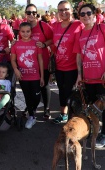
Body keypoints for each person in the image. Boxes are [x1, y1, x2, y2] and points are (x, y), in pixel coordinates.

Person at [73, 3, 105, 148]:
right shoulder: (79, 34)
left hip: (103, 77)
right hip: (89, 78)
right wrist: (79, 74)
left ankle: (103, 135)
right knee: (93, 108)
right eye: (82, 14)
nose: (85, 16)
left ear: (94, 15)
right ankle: (94, 133)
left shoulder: (102, 29)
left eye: (88, 13)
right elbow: (79, 55)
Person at [51, 0, 83, 124]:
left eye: (66, 9)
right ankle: (63, 114)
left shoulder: (78, 25)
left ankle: (73, 117)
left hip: (73, 67)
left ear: (71, 10)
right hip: (59, 66)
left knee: (72, 92)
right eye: (60, 10)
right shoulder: (55, 26)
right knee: (62, 91)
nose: (63, 12)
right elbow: (50, 41)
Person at [11, 22, 44, 129]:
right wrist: (16, 70)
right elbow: (13, 60)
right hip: (23, 76)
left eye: (28, 31)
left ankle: (31, 111)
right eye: (23, 31)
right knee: (27, 96)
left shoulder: (36, 44)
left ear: (31, 32)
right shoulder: (16, 44)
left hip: (35, 75)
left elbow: (40, 60)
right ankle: (31, 116)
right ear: (19, 32)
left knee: (36, 96)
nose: (25, 34)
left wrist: (42, 76)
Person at [24, 4, 53, 119]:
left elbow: (53, 39)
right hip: (29, 63)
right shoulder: (24, 26)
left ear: (37, 14)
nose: (31, 15)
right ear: (25, 14)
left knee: (44, 85)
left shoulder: (43, 25)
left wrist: (45, 44)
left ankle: (46, 108)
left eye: (34, 13)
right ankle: (32, 107)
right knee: (32, 86)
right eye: (29, 12)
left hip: (43, 61)